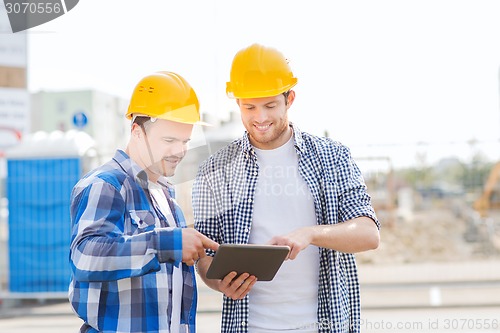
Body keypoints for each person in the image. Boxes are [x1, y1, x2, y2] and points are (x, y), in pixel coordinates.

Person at [193, 44, 380, 333]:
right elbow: (204, 255)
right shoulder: (214, 171)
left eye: (269, 106)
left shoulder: (332, 157)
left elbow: (368, 234)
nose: (260, 118)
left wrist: (311, 233)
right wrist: (218, 282)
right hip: (249, 325)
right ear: (237, 103)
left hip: (323, 325)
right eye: (249, 107)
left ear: (289, 98)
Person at [69, 71, 219, 333]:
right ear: (137, 131)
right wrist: (167, 243)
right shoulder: (107, 184)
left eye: (185, 141)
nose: (180, 151)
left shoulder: (167, 197)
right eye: (169, 140)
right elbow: (84, 257)